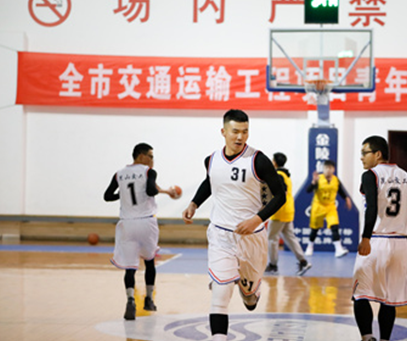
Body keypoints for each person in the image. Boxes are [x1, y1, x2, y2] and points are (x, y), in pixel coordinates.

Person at [182, 109, 286, 341]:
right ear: (223, 132)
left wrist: (256, 219)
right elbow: (210, 181)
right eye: (235, 131)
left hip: (252, 237)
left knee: (249, 298)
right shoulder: (211, 160)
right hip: (221, 235)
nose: (240, 137)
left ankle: (250, 291)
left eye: (245, 132)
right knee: (220, 294)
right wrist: (194, 203)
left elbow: (280, 196)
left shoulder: (258, 161)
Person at [353, 135, 407, 341]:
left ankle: (367, 337)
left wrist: (366, 237)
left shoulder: (371, 175)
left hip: (377, 240)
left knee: (360, 295)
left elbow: (372, 208)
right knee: (389, 300)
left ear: (378, 154)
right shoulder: (406, 175)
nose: (361, 157)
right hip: (400, 245)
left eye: (364, 153)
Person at [103, 142, 178, 320]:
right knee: (149, 261)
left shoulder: (119, 174)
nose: (152, 160)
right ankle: (149, 299)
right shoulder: (148, 172)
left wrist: (123, 194)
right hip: (146, 223)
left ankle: (130, 300)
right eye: (150, 156)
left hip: (127, 224)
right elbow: (151, 190)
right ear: (141, 156)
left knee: (130, 267)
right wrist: (163, 191)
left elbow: (107, 196)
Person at [265, 152, 312, 276]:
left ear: (275, 162)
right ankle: (303, 261)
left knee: (272, 238)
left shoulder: (278, 175)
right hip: (288, 211)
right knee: (290, 238)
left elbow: (283, 192)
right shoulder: (286, 174)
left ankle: (273, 265)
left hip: (280, 212)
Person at [304, 159, 353, 258]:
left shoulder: (336, 180)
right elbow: (308, 190)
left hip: (330, 206)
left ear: (333, 169)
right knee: (315, 229)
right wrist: (313, 182)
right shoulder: (318, 178)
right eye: (326, 168)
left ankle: (338, 249)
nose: (328, 170)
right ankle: (310, 246)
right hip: (318, 206)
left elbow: (340, 191)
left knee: (334, 226)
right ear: (323, 169)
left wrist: (346, 198)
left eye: (330, 168)